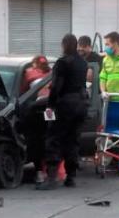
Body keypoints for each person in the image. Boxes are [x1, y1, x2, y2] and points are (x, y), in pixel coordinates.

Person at [37, 34, 90, 190]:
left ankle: (52, 178)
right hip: (81, 104)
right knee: (73, 140)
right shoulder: (83, 62)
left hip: (65, 104)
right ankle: (71, 177)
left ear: (64, 45)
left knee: (54, 139)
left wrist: (50, 105)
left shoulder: (62, 62)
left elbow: (56, 86)